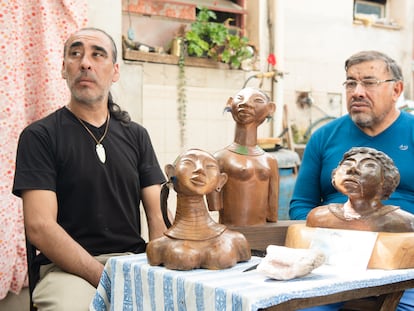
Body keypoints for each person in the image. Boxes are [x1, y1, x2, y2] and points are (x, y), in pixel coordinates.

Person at [12, 27, 166, 310]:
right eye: (75, 54)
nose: (85, 62)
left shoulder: (137, 135)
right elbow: (40, 227)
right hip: (65, 270)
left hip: (131, 262)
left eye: (98, 54)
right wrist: (104, 278)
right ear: (63, 69)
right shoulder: (40, 136)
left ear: (115, 71)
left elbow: (157, 217)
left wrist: (162, 270)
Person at [289, 50, 414, 310]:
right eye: (350, 82)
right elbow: (300, 206)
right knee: (303, 307)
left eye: (369, 82)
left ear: (396, 89)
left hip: (405, 258)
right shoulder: (324, 137)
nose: (357, 91)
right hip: (332, 258)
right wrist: (345, 236)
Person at [147, 148, 251, 270]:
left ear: (220, 181)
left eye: (209, 166)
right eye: (189, 163)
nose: (200, 169)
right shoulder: (157, 247)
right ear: (170, 174)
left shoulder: (237, 241)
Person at [212, 87, 279, 226]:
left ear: (270, 108)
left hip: (262, 233)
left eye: (257, 100)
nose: (246, 104)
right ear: (230, 103)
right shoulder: (219, 158)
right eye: (240, 99)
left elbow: (272, 212)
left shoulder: (270, 161)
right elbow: (213, 205)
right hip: (228, 234)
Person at [307, 146, 414, 232]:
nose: (352, 169)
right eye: (347, 164)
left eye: (368, 166)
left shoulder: (403, 222)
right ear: (334, 176)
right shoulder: (320, 216)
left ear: (386, 180)